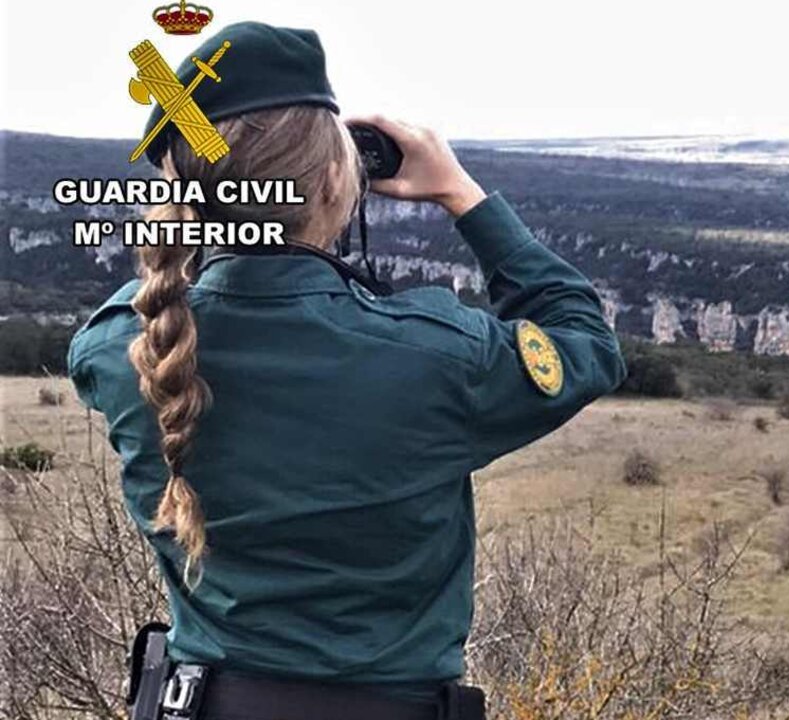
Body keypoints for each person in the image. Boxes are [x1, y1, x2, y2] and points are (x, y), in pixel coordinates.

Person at [67, 21, 626, 720]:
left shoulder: (123, 352)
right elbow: (584, 341)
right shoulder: (438, 355)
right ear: (338, 179)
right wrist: (461, 193)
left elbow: (146, 298)